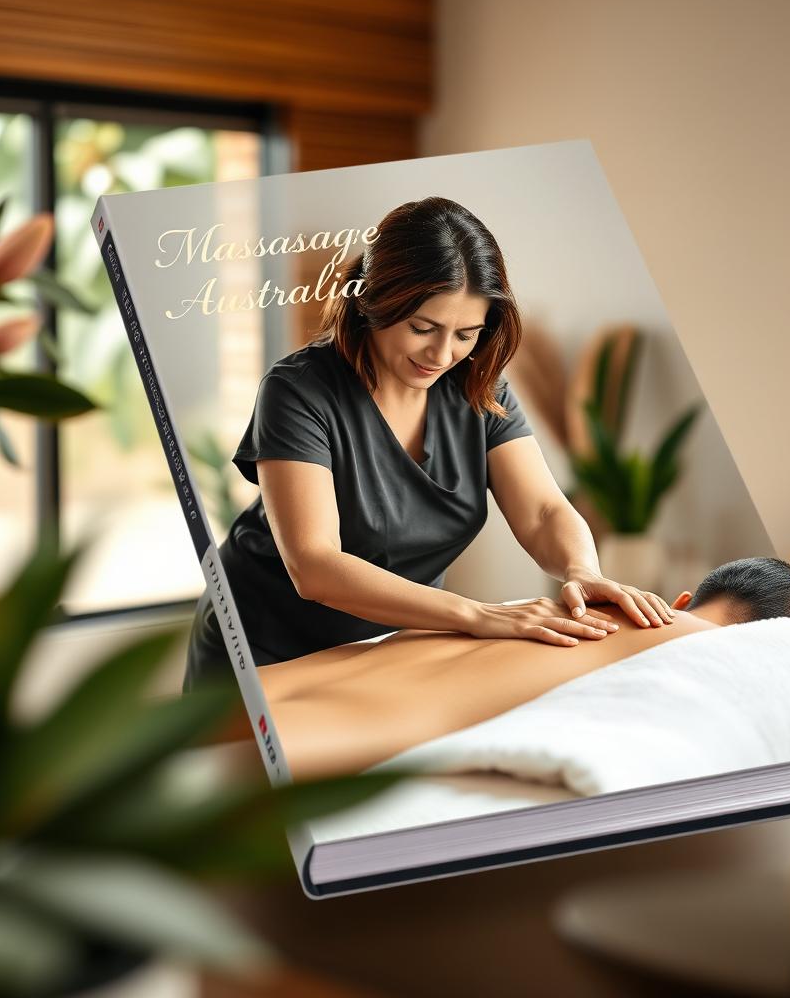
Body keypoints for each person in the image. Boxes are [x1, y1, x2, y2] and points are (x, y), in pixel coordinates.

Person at [186, 196, 674, 687]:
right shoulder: (298, 390)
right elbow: (314, 565)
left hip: (390, 645)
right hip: (262, 646)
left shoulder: (480, 386)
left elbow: (544, 510)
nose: (442, 354)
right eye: (423, 328)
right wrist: (479, 615)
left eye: (467, 334)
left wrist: (581, 569)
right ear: (375, 304)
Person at [259, 557, 790, 779]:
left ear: (686, 598)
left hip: (271, 686)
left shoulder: (562, 607)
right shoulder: (713, 655)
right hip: (330, 744)